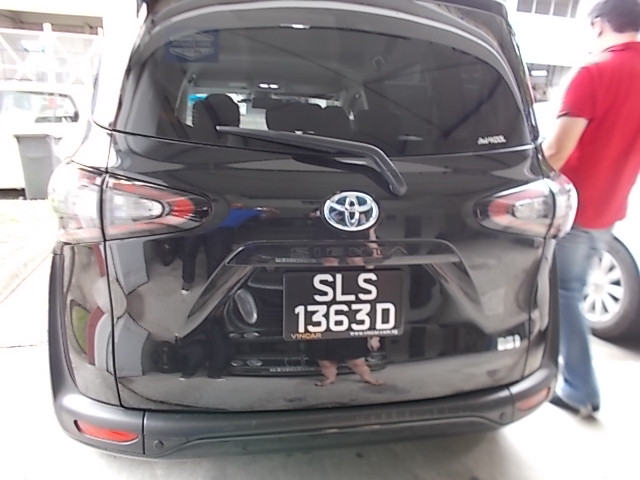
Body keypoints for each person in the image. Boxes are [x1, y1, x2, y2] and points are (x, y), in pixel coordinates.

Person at [542, 0, 640, 417]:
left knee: (562, 297)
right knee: (573, 294)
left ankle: (579, 388)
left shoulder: (594, 71)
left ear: (599, 24)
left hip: (574, 209)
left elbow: (556, 151)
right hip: (610, 209)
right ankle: (572, 382)